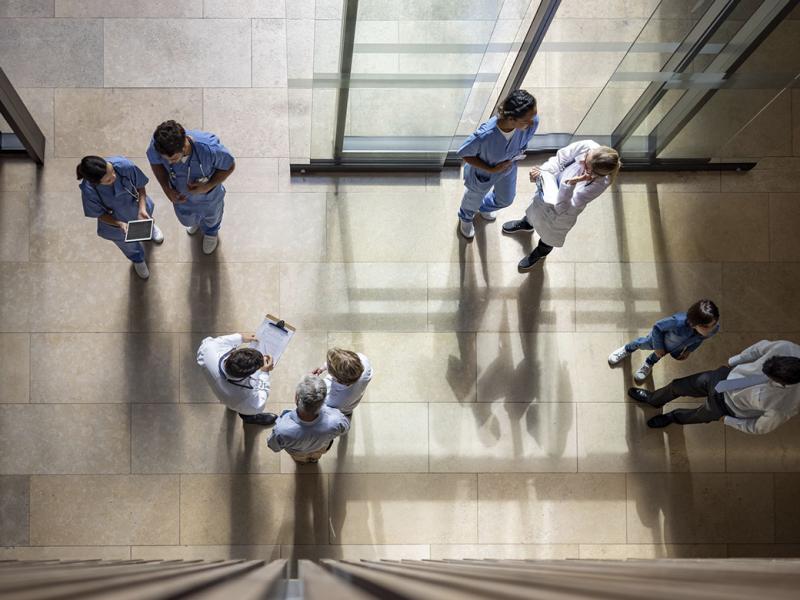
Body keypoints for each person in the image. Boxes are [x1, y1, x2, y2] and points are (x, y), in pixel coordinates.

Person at [628, 339, 800, 432]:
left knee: (694, 416)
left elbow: (759, 427)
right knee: (678, 385)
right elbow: (758, 349)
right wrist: (733, 361)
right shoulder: (786, 348)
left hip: (727, 408)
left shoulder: (786, 406)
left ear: (784, 382)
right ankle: (653, 399)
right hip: (723, 378)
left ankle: (672, 417)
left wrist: (728, 420)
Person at [502, 141, 621, 271]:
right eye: (588, 155)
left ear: (591, 172)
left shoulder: (599, 184)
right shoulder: (588, 146)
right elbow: (560, 159)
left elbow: (563, 207)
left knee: (549, 236)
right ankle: (527, 224)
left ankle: (540, 252)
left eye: (586, 164)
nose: (584, 158)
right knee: (534, 212)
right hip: (550, 190)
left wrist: (571, 183)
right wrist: (542, 172)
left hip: (562, 214)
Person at [456, 89, 539, 240]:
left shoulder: (531, 122)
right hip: (484, 173)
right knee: (472, 198)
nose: (532, 122)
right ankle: (466, 217)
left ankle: (483, 207)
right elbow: (465, 153)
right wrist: (491, 168)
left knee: (505, 199)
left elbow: (524, 139)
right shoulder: (485, 135)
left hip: (508, 168)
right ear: (512, 119)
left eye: (533, 116)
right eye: (526, 120)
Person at [146, 120, 235, 255]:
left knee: (212, 218)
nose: (169, 162)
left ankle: (211, 233)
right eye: (166, 159)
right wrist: (166, 189)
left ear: (184, 146)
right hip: (182, 197)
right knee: (187, 219)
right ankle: (196, 222)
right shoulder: (158, 146)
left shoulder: (209, 149)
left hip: (209, 198)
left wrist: (208, 186)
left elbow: (230, 165)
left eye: (173, 159)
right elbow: (155, 163)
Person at [77, 155, 164, 280]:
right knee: (127, 245)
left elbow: (140, 186)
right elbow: (99, 214)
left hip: (136, 207)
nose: (114, 177)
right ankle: (137, 259)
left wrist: (142, 208)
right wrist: (119, 223)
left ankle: (150, 228)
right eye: (108, 180)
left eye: (112, 171)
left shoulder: (124, 165)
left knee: (145, 220)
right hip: (115, 223)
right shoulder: (89, 191)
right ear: (95, 183)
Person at [609, 299, 720, 383]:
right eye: (706, 326)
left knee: (659, 356)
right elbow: (657, 327)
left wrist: (688, 351)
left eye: (714, 324)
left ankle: (648, 363)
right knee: (641, 344)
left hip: (676, 348)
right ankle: (627, 349)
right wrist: (658, 347)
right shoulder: (678, 322)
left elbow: (699, 340)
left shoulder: (712, 330)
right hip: (658, 340)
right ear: (694, 323)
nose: (711, 329)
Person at [196, 332, 277, 426]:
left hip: (222, 393)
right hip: (239, 403)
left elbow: (217, 342)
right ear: (249, 374)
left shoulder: (207, 350)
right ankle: (249, 418)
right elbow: (259, 404)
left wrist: (240, 338)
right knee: (246, 411)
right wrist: (264, 373)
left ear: (233, 353)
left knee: (233, 404)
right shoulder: (246, 398)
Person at [267, 375, 351, 464]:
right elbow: (346, 427)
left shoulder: (282, 430)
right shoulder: (336, 420)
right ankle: (314, 460)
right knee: (316, 455)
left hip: (298, 452)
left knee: (300, 459)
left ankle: (302, 462)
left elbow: (273, 446)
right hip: (320, 447)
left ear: (297, 398)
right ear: (323, 400)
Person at [312, 348, 373, 417]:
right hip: (352, 403)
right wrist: (322, 368)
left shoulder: (331, 399)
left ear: (338, 380)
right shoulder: (364, 361)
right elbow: (343, 362)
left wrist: (312, 381)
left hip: (342, 411)